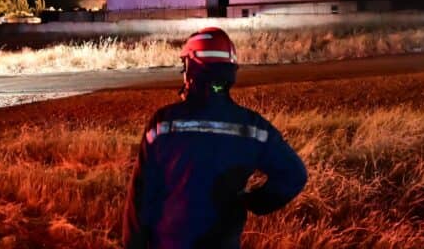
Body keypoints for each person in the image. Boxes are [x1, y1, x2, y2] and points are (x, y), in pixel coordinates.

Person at [123, 27, 307, 249]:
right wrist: (255, 202)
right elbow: (294, 174)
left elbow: (140, 197)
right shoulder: (252, 128)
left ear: (192, 69)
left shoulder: (163, 124)